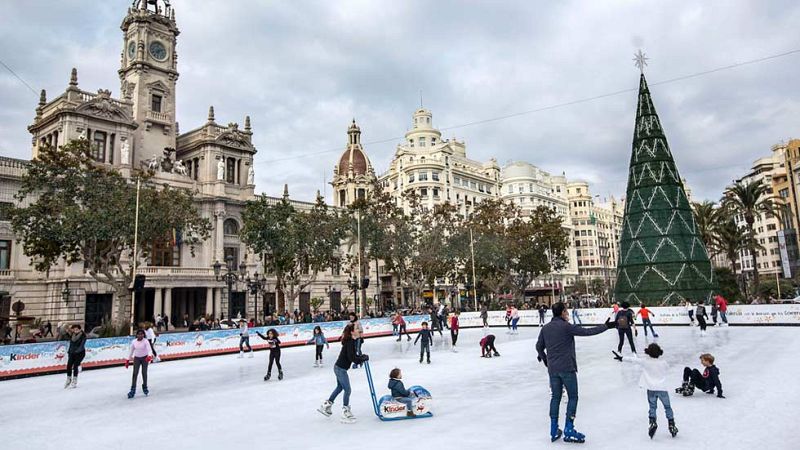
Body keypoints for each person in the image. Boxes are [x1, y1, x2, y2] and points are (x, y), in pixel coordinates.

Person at [535, 302, 617, 443]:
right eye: (566, 311)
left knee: (555, 397)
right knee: (573, 397)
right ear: (562, 312)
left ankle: (554, 430)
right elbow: (587, 332)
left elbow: (539, 347)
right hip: (567, 368)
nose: (567, 313)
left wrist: (546, 361)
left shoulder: (546, 328)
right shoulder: (566, 327)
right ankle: (569, 428)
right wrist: (606, 326)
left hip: (553, 370)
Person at [613, 343, 678, 439]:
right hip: (662, 389)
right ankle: (671, 424)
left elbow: (633, 360)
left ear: (648, 352)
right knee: (667, 407)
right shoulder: (663, 362)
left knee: (652, 407)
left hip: (651, 389)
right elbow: (667, 369)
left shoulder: (645, 362)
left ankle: (652, 423)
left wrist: (622, 358)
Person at [318, 324, 369, 423]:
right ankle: (345, 412)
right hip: (340, 369)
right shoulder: (350, 342)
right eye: (356, 329)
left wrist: (361, 357)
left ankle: (326, 406)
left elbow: (352, 356)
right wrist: (361, 359)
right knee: (347, 389)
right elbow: (352, 357)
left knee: (340, 388)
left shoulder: (351, 341)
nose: (358, 330)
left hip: (339, 367)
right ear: (352, 332)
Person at [126, 329, 153, 398]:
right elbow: (131, 351)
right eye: (139, 334)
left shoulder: (145, 341)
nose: (140, 335)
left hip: (145, 358)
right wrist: (127, 360)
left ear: (143, 335)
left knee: (144, 373)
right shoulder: (134, 342)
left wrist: (149, 356)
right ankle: (133, 389)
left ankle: (145, 386)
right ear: (136, 335)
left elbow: (149, 350)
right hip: (137, 359)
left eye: (142, 334)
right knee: (135, 373)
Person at [65, 324, 86, 388]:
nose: (75, 331)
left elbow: (82, 345)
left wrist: (76, 351)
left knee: (75, 366)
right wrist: (66, 327)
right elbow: (64, 333)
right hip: (72, 353)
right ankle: (68, 379)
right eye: (74, 329)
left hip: (80, 353)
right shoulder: (72, 335)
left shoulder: (83, 336)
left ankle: (74, 380)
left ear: (80, 329)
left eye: (77, 329)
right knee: (69, 366)